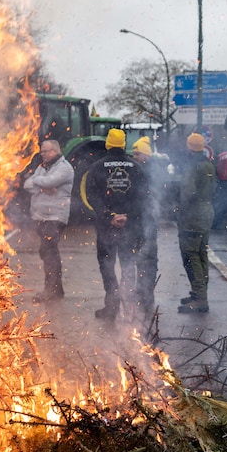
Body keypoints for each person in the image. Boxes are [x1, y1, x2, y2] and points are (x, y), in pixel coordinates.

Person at [84, 128, 146, 321]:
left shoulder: (96, 167)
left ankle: (111, 308)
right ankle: (130, 309)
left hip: (106, 227)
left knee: (107, 266)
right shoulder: (136, 167)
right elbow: (143, 197)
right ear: (124, 144)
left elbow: (91, 195)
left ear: (108, 144)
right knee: (128, 264)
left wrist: (109, 216)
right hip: (130, 226)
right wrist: (127, 216)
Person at [21, 139, 74, 304]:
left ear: (55, 151)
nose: (42, 154)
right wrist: (42, 185)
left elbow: (48, 182)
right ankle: (56, 290)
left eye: (46, 151)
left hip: (54, 217)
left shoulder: (64, 168)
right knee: (47, 252)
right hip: (41, 216)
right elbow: (26, 185)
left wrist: (38, 182)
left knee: (49, 252)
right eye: (42, 151)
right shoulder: (43, 167)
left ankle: (50, 290)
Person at [177, 132, 216, 313]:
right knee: (201, 254)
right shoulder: (209, 165)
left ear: (189, 147)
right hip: (206, 212)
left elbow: (188, 192)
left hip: (192, 215)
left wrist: (176, 206)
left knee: (190, 255)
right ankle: (199, 293)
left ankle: (200, 298)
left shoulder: (192, 167)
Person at [129, 136, 161, 320]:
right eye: (133, 153)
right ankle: (141, 294)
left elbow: (149, 198)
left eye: (137, 153)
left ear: (146, 155)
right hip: (140, 221)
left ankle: (146, 297)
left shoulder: (148, 172)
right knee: (140, 258)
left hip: (147, 221)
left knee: (147, 260)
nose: (135, 157)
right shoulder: (140, 169)